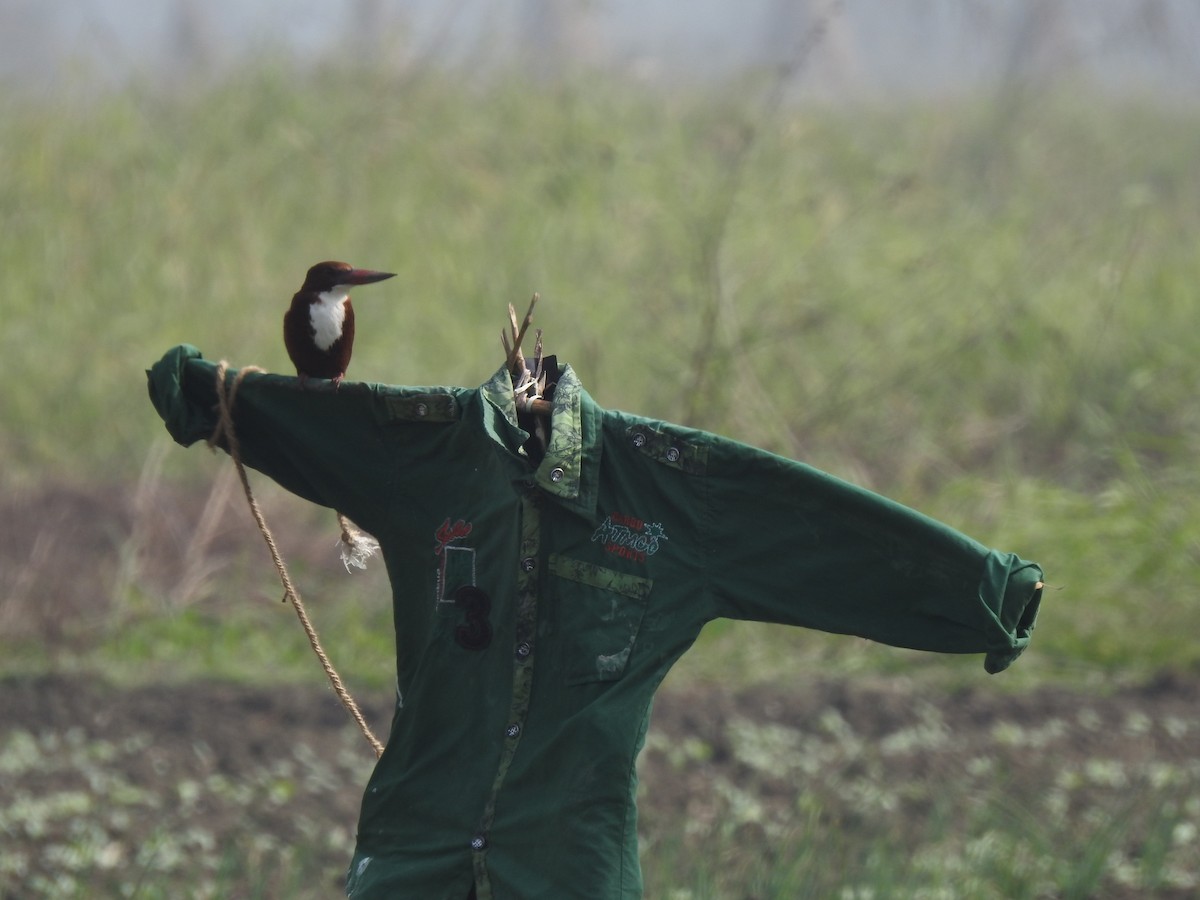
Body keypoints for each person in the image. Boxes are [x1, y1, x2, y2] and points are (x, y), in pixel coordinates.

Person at [148, 344, 1043, 900]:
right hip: (415, 847)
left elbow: (818, 528)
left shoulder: (674, 491)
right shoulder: (431, 452)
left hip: (567, 864)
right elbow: (312, 419)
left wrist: (978, 591)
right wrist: (212, 395)